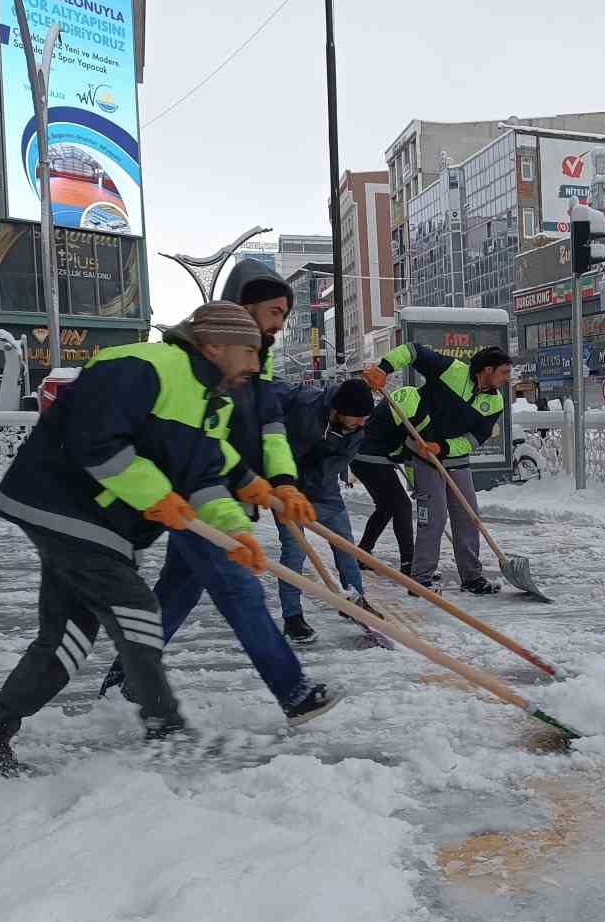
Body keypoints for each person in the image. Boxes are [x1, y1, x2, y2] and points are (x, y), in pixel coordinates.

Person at [0, 302, 270, 778]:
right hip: (67, 506)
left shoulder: (211, 402)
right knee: (138, 612)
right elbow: (94, 439)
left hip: (102, 527)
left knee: (67, 641)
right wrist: (156, 494)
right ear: (216, 344)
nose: (255, 365)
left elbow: (202, 480)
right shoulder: (142, 365)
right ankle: (166, 730)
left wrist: (235, 530)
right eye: (249, 351)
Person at [99, 264, 337, 725]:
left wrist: (284, 482)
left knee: (174, 597)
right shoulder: (205, 359)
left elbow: (270, 425)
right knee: (239, 591)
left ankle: (123, 681)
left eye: (284, 316)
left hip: (230, 490)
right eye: (274, 312)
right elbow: (199, 432)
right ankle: (294, 693)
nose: (279, 325)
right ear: (243, 308)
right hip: (200, 492)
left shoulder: (258, 361)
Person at [363, 344, 511, 595]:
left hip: (454, 458)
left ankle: (472, 577)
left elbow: (476, 438)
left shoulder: (495, 402)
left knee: (467, 516)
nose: (508, 378)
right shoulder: (452, 370)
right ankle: (420, 580)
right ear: (488, 369)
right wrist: (384, 369)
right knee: (434, 517)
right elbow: (412, 351)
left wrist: (442, 447)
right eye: (505, 372)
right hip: (423, 454)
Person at [275, 377, 378, 643]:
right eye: (357, 417)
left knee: (346, 546)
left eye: (365, 417)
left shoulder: (357, 430)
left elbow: (334, 465)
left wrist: (312, 479)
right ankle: (293, 618)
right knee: (294, 552)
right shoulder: (306, 405)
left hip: (324, 490)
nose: (361, 423)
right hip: (287, 487)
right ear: (338, 409)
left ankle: (354, 601)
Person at [349, 383, 423, 574]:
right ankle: (409, 564)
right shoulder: (419, 408)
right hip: (372, 458)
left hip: (363, 456)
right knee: (402, 506)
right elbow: (410, 449)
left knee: (386, 507)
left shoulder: (409, 394)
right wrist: (416, 485)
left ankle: (362, 553)